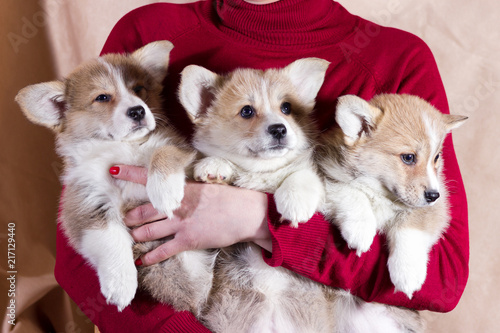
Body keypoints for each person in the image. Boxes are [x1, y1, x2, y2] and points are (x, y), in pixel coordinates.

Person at [54, 0, 469, 332]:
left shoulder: (396, 58)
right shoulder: (152, 34)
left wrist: (258, 220)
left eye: (288, 108)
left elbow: (442, 278)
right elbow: (82, 243)